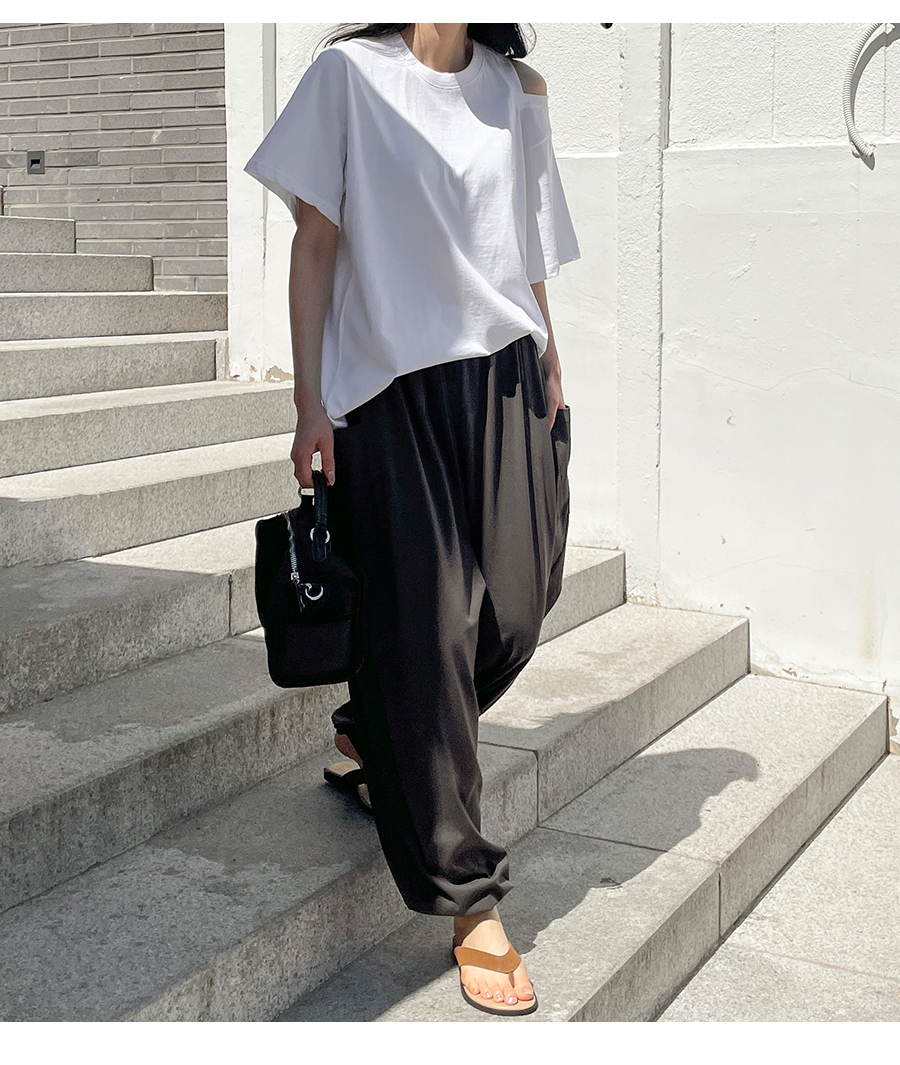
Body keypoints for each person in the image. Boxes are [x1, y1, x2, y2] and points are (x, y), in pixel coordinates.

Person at [244, 22, 579, 1017]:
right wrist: (308, 401)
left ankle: (373, 731)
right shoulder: (348, 78)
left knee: (518, 608)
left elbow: (527, 248)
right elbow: (315, 243)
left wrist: (551, 351)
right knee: (428, 635)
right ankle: (468, 896)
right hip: (387, 387)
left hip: (503, 375)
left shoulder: (518, 90)